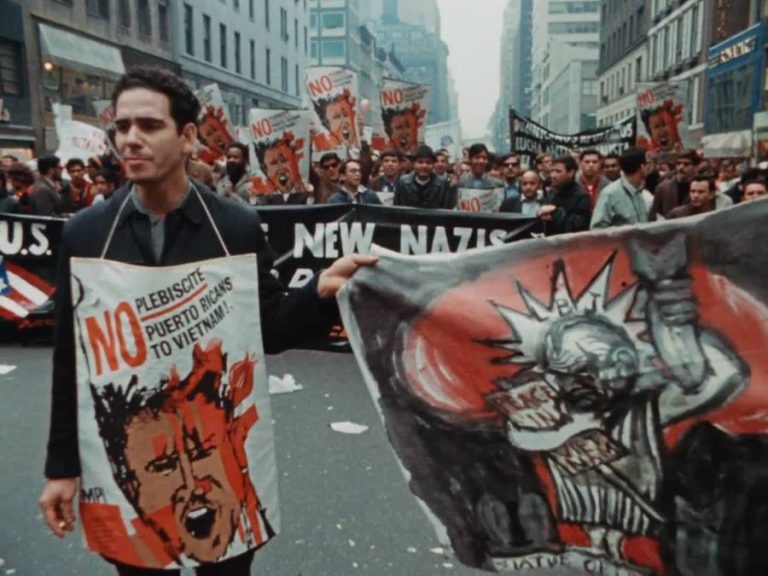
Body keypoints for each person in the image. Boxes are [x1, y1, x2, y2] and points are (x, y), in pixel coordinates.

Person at [37, 66, 376, 576]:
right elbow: (72, 360)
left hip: (218, 465)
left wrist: (320, 292)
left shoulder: (234, 226)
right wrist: (61, 468)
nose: (130, 139)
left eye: (149, 125)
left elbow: (268, 328)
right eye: (122, 126)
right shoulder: (85, 234)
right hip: (135, 472)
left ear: (188, 136)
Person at [590, 147, 649, 229]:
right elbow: (597, 228)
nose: (649, 167)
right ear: (642, 167)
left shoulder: (639, 190)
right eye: (647, 164)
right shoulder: (610, 194)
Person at [537, 155, 591, 235]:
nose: (553, 175)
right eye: (552, 171)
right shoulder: (552, 191)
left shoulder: (581, 197)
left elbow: (577, 227)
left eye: (558, 171)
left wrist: (555, 212)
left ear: (570, 173)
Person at [393, 145, 457, 210]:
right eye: (420, 162)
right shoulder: (403, 182)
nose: (424, 166)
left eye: (428, 162)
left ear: (433, 164)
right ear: (414, 164)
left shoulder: (442, 184)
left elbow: (446, 210)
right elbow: (397, 209)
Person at [650, 150, 700, 220]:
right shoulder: (663, 187)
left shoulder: (700, 188)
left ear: (695, 167)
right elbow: (653, 215)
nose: (681, 167)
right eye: (678, 163)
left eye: (686, 164)